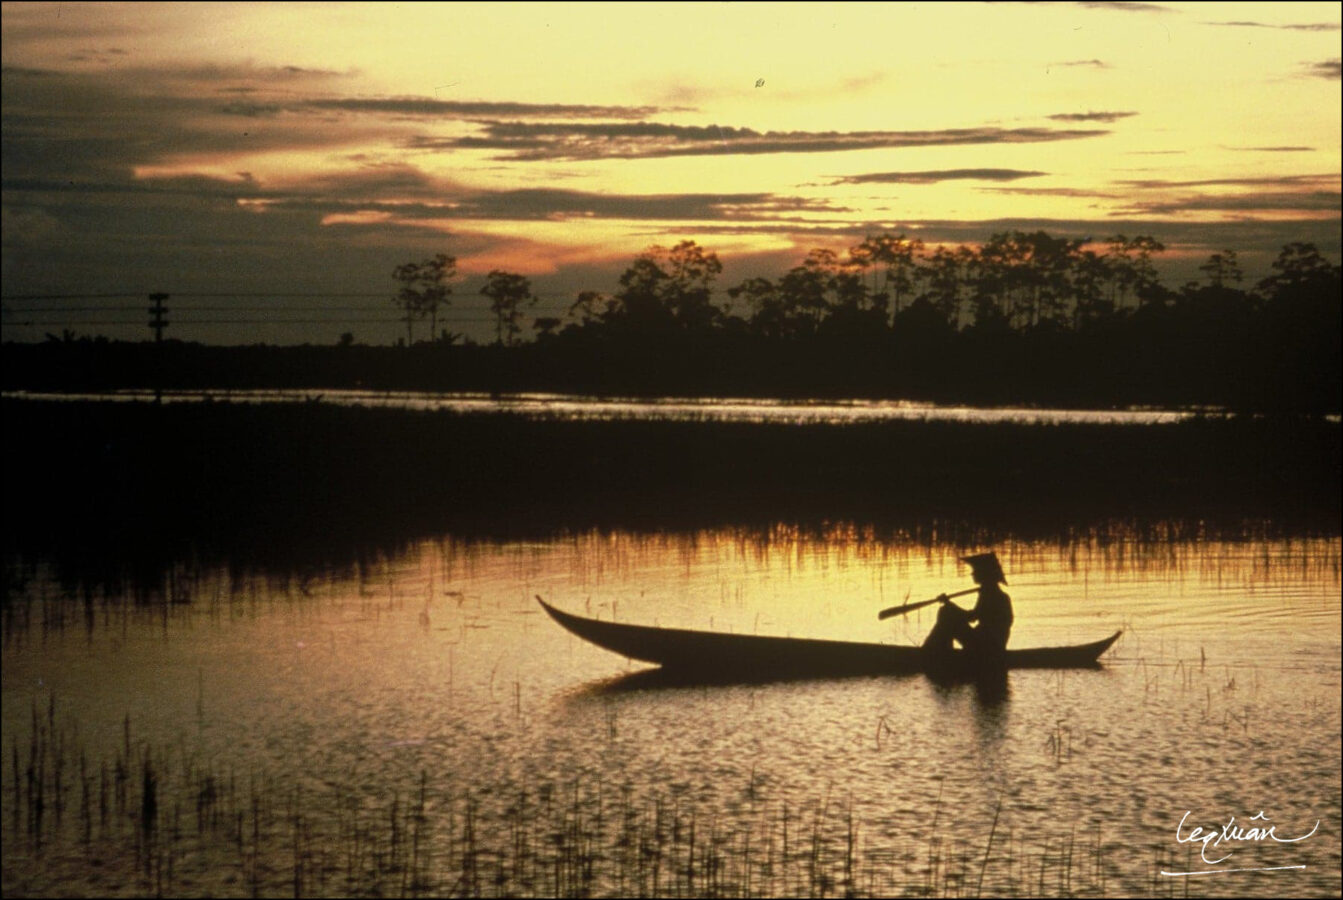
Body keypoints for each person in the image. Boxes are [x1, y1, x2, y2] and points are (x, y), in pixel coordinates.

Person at [921, 552, 1013, 660]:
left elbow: (972, 617)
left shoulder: (992, 594)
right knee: (946, 611)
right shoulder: (990, 592)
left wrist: (949, 605)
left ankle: (933, 653)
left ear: (984, 573)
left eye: (975, 571)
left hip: (987, 647)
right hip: (987, 643)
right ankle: (936, 651)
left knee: (946, 612)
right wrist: (950, 606)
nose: (972, 574)